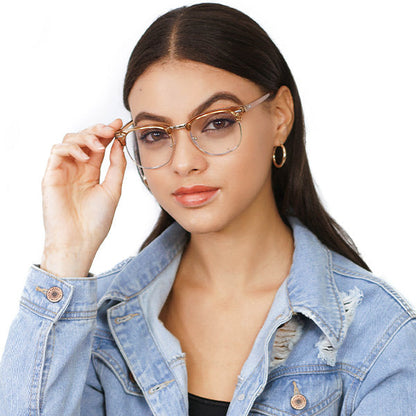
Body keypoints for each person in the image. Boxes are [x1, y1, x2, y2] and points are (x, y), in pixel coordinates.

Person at [0, 3, 415, 415]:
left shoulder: (378, 336)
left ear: (280, 117)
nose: (184, 163)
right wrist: (65, 254)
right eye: (155, 134)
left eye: (217, 122)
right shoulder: (93, 324)